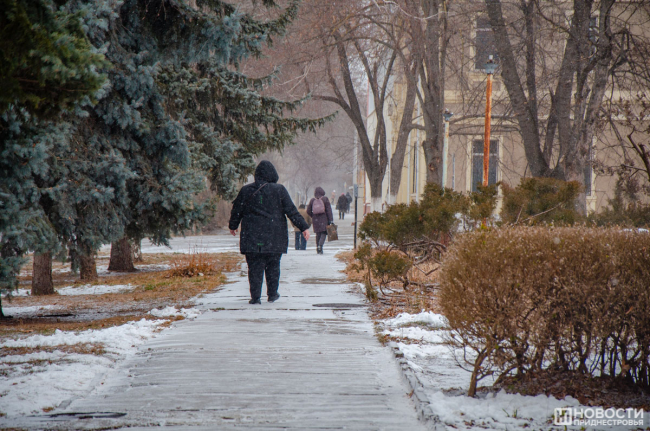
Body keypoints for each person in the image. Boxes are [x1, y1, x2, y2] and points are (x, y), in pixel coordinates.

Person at [229, 161, 310, 304]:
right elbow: (291, 211)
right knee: (273, 266)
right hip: (275, 236)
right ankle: (272, 294)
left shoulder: (246, 190)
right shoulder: (279, 190)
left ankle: (255, 297)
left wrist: (233, 225)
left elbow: (237, 210)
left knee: (254, 267)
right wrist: (303, 227)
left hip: (252, 236)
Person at [307, 187, 333, 255]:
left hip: (315, 220)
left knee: (318, 234)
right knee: (324, 232)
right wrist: (330, 220)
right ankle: (320, 246)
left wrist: (313, 216)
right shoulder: (325, 199)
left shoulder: (312, 200)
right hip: (324, 219)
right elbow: (329, 210)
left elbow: (308, 211)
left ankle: (317, 247)